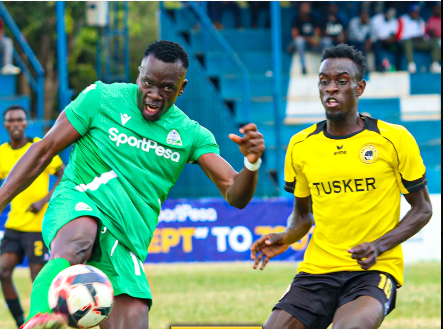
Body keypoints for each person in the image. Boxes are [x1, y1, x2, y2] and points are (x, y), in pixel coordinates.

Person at [0, 40, 265, 329]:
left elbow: (234, 193)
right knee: (79, 241)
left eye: (167, 87)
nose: (154, 94)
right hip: (80, 199)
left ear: (182, 87)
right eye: (148, 82)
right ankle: (39, 317)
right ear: (139, 74)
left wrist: (251, 164)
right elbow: (44, 150)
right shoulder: (101, 98)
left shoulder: (191, 134)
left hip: (127, 239)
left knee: (133, 320)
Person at [250, 44, 433, 329]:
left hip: (372, 270)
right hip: (317, 271)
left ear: (359, 87)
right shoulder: (301, 145)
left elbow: (422, 209)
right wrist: (286, 237)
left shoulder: (394, 140)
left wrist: (378, 246)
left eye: (341, 81)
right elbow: (302, 216)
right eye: (324, 82)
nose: (331, 88)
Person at [0, 105, 65, 328]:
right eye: (12, 120)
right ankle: (20, 320)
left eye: (20, 119)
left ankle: (43, 318)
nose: (16, 123)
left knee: (37, 278)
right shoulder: (2, 153)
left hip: (38, 226)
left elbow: (63, 176)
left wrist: (44, 200)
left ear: (27, 123)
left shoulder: (40, 147)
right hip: (14, 225)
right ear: (6, 125)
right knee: (3, 271)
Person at [288, 2, 331, 75]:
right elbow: (295, 35)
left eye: (308, 7)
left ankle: (326, 67)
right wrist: (309, 39)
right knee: (299, 41)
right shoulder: (296, 19)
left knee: (327, 40)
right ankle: (303, 66)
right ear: (300, 8)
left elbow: (317, 34)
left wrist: (315, 40)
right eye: (304, 6)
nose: (307, 8)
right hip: (300, 45)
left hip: (311, 45)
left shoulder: (313, 18)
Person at [397, 4, 441, 74]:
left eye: (417, 12)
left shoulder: (421, 21)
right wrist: (413, 37)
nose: (415, 14)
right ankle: (411, 64)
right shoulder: (402, 20)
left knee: (435, 41)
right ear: (410, 12)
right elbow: (399, 36)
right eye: (413, 12)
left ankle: (435, 64)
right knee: (407, 42)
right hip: (408, 42)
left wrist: (423, 37)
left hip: (419, 42)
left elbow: (425, 35)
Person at [371, 7, 403, 72]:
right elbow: (374, 36)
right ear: (385, 13)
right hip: (378, 41)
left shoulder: (394, 21)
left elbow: (393, 34)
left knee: (399, 45)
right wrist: (384, 39)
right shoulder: (376, 19)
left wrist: (391, 39)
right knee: (377, 45)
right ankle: (379, 67)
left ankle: (397, 66)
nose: (391, 15)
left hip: (388, 43)